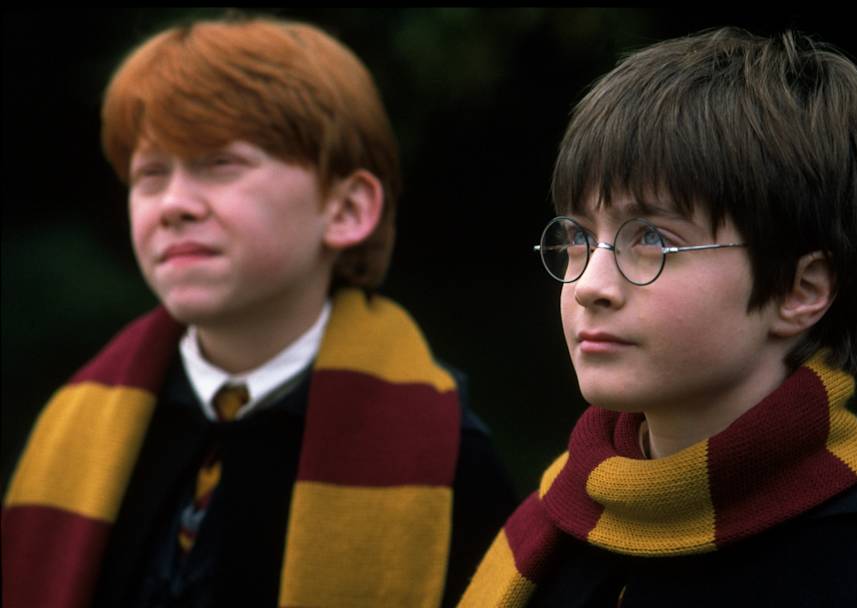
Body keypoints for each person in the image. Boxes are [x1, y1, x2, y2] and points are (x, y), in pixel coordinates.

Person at [2, 14, 515, 608]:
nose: (173, 204)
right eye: (150, 174)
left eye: (221, 164)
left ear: (347, 210)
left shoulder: (445, 454)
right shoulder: (75, 435)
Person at [460, 26, 857, 607]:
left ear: (799, 291)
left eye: (652, 239)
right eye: (579, 237)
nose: (590, 285)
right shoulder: (558, 522)